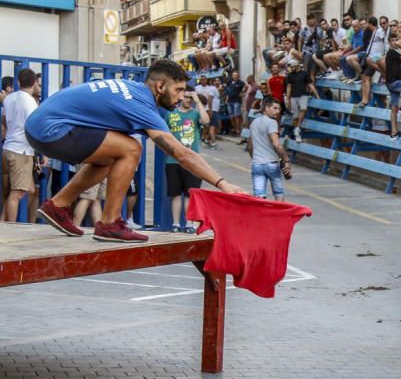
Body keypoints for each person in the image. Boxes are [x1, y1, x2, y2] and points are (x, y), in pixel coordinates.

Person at [24, 59, 244, 242]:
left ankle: (58, 205)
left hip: (39, 127)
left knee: (108, 159)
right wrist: (222, 183)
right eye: (177, 90)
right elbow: (182, 153)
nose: (180, 97)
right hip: (52, 129)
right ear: (160, 86)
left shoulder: (132, 91)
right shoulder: (141, 105)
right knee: (131, 148)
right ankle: (110, 222)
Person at [163, 90, 209, 232]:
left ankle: (189, 223)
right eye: (187, 97)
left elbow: (206, 121)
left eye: (191, 98)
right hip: (173, 160)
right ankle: (176, 224)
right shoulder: (171, 114)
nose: (189, 100)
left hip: (191, 161)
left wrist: (198, 101)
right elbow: (163, 134)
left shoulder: (195, 113)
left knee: (190, 194)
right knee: (175, 194)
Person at [1, 68, 40, 222]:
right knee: (16, 194)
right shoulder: (30, 102)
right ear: (34, 84)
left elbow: (4, 120)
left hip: (8, 147)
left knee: (29, 189)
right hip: (21, 151)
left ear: (18, 81)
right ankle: (11, 227)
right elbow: (34, 126)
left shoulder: (9, 99)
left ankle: (2, 224)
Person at [248, 96, 291, 201]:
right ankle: (278, 216)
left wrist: (256, 158)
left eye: (279, 109)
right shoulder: (272, 122)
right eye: (275, 108)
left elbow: (250, 146)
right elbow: (277, 144)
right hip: (271, 163)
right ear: (266, 108)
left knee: (259, 197)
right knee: (279, 193)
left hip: (257, 164)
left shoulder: (254, 123)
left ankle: (260, 216)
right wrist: (286, 160)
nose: (278, 111)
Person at [284, 61, 316, 142]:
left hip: (303, 95)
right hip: (293, 96)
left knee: (303, 109)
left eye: (292, 67)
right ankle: (295, 132)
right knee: (295, 116)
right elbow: (289, 87)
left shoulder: (304, 73)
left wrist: (317, 94)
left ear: (296, 65)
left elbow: (310, 84)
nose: (291, 69)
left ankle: (297, 129)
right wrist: (287, 99)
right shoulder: (290, 75)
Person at [224, 72, 245, 139]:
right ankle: (235, 129)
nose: (235, 76)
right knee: (231, 116)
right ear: (232, 76)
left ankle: (238, 130)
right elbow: (226, 88)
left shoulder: (240, 83)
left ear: (238, 76)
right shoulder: (230, 82)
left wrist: (242, 92)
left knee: (237, 116)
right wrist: (226, 98)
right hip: (230, 101)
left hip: (237, 101)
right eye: (234, 75)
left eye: (236, 75)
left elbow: (246, 86)